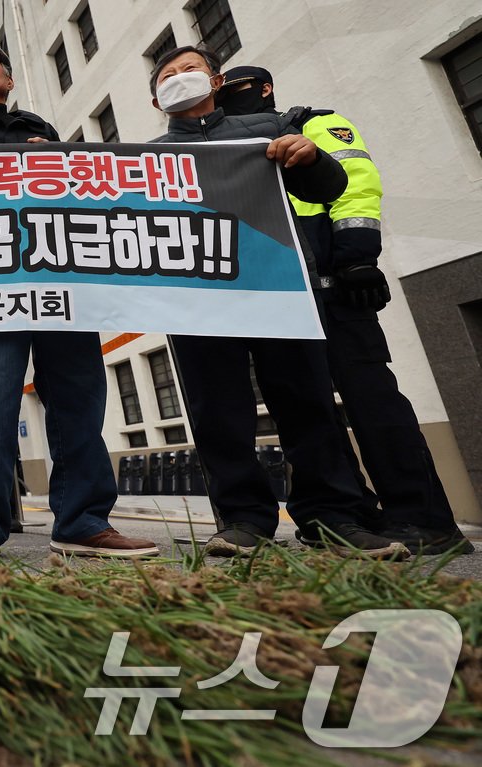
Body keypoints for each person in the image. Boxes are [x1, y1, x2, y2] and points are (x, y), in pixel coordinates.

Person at [146, 45, 406, 559]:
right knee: (217, 411)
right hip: (197, 300)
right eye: (167, 75)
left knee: (308, 402)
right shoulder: (144, 156)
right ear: (156, 100)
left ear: (216, 81)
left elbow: (330, 187)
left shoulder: (269, 130)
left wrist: (310, 157)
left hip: (280, 285)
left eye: (189, 69)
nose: (179, 78)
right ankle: (243, 520)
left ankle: (333, 518)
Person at [217, 66, 473, 557]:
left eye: (238, 91)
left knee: (371, 400)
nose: (228, 100)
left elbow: (356, 185)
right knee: (306, 414)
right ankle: (344, 518)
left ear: (266, 89)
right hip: (281, 298)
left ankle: (425, 520)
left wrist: (357, 256)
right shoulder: (227, 147)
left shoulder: (311, 124)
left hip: (336, 289)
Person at [0, 41, 155, 560]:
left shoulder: (43, 134)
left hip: (59, 282)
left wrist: (57, 162)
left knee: (78, 399)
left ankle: (83, 521)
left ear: (9, 82)